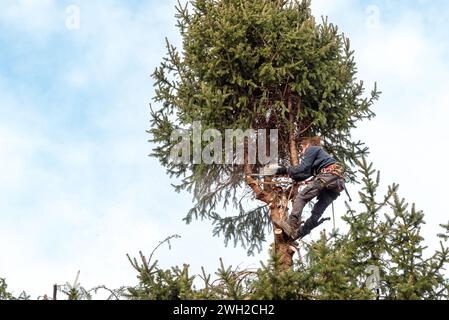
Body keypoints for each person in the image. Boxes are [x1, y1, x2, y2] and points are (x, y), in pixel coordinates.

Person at [269, 136, 345, 241]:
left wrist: (282, 170)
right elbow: (305, 174)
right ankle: (299, 233)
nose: (302, 152)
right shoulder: (319, 158)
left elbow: (302, 167)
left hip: (328, 177)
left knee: (301, 198)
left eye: (302, 149)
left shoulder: (312, 149)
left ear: (307, 145)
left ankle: (290, 225)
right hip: (337, 184)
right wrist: (293, 176)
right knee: (316, 213)